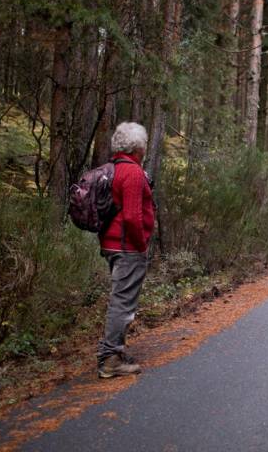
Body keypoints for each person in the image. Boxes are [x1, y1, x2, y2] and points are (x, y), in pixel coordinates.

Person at [97, 122, 155, 379]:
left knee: (120, 298)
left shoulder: (114, 169)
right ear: (138, 147)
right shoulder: (132, 173)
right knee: (122, 302)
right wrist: (141, 245)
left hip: (112, 244)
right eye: (144, 144)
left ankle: (115, 352)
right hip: (127, 246)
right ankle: (110, 359)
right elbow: (132, 217)